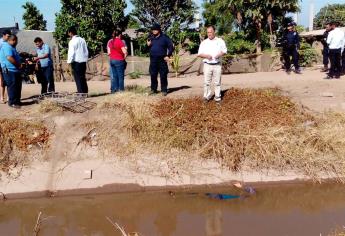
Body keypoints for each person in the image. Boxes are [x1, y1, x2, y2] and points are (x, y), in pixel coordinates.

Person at [197, 25, 227, 102]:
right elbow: (199, 54)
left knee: (217, 82)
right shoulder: (204, 42)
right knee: (206, 82)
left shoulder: (220, 41)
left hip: (217, 64)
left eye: (210, 32)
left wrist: (218, 55)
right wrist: (206, 56)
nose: (209, 34)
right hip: (207, 65)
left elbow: (224, 51)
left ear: (214, 32)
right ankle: (206, 96)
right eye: (208, 32)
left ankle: (217, 97)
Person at [147, 23, 174, 96]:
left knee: (163, 75)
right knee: (153, 75)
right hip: (153, 59)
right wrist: (148, 45)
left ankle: (164, 90)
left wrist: (168, 55)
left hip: (162, 59)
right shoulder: (151, 37)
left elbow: (171, 47)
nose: (154, 31)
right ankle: (153, 89)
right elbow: (147, 47)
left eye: (155, 29)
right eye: (153, 30)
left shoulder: (164, 37)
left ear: (159, 30)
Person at [0, 34, 22, 108]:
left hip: (15, 70)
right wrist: (18, 65)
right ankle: (12, 102)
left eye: (16, 40)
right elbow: (9, 57)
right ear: (9, 40)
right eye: (14, 41)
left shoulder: (12, 47)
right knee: (12, 86)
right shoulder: (7, 46)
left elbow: (15, 57)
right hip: (9, 70)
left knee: (17, 86)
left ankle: (17, 101)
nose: (16, 42)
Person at [67, 26, 89, 93]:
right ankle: (85, 92)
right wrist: (85, 59)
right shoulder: (82, 40)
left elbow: (71, 53)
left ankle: (81, 93)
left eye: (68, 33)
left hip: (76, 63)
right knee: (83, 78)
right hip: (83, 62)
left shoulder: (72, 41)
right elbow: (86, 51)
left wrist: (69, 63)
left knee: (78, 79)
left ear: (70, 33)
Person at [0, 30, 11, 103]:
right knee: (2, 80)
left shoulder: (9, 42)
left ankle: (9, 97)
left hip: (8, 64)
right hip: (1, 64)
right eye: (8, 36)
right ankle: (2, 97)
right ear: (3, 35)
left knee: (8, 80)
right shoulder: (0, 42)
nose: (8, 37)